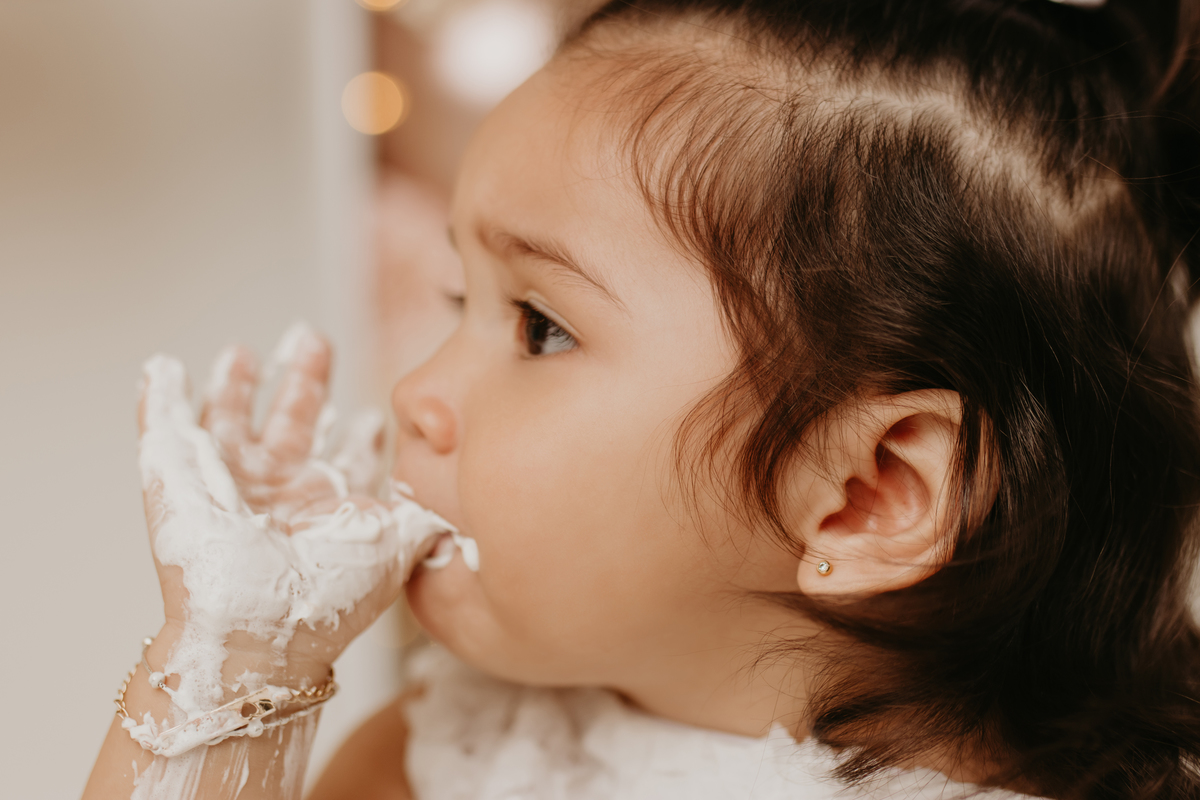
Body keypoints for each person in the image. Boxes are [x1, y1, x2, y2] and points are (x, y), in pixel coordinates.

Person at [82, 0, 1200, 797]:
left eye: (539, 326)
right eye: (455, 296)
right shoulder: (450, 753)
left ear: (867, 492)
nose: (417, 392)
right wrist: (234, 669)